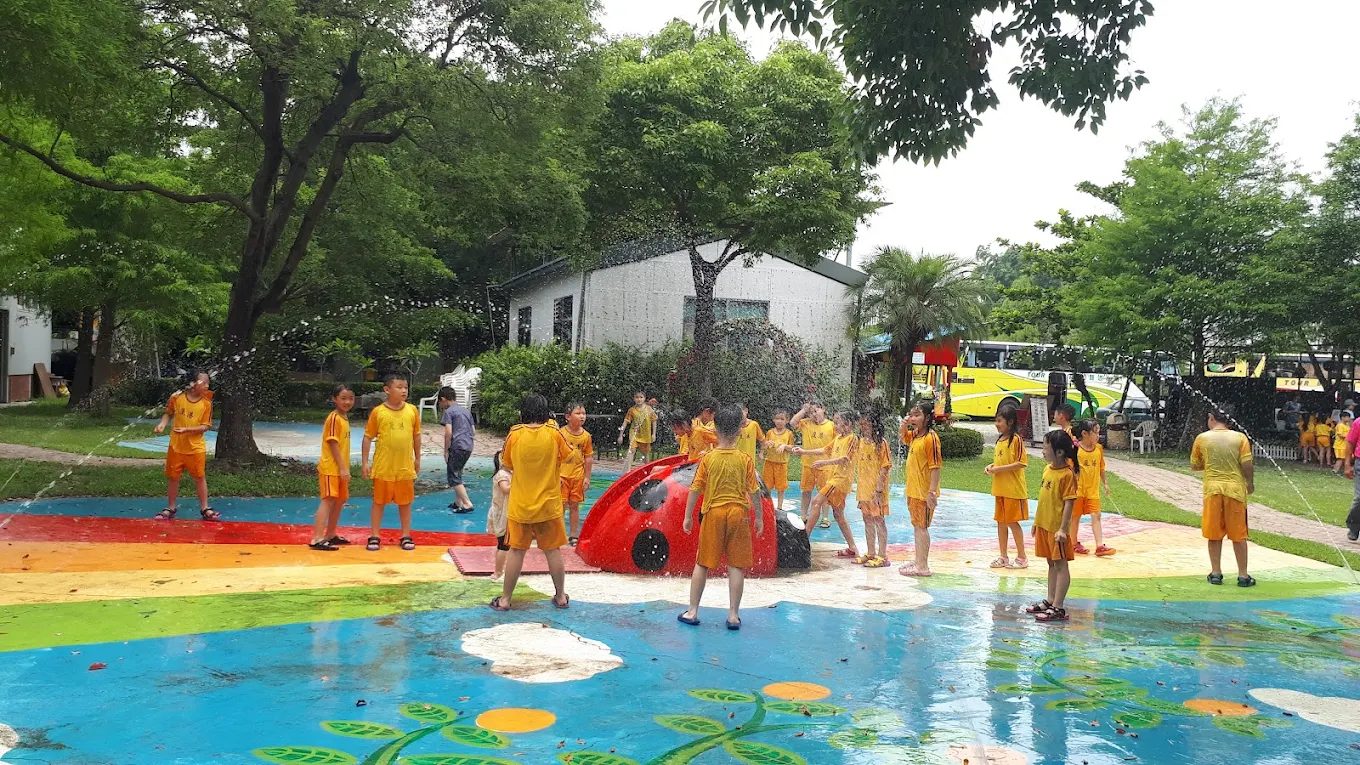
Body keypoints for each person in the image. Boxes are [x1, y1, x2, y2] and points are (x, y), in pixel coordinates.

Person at [678, 404, 764, 631]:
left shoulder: (708, 458)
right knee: (736, 565)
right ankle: (734, 615)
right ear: (739, 431)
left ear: (714, 429)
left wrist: (688, 516)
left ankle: (693, 611)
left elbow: (695, 488)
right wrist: (759, 518)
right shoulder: (745, 459)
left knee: (702, 563)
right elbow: (754, 491)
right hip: (739, 514)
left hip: (714, 514)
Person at [491, 393, 575, 611]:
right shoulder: (554, 433)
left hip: (521, 506)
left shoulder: (515, 434)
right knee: (552, 550)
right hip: (549, 506)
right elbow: (568, 455)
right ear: (546, 412)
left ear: (523, 412)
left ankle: (506, 599)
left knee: (516, 552)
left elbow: (507, 463)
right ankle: (560, 597)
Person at [1190, 409, 1256, 586]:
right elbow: (1247, 464)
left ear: (1212, 418)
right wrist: (1249, 483)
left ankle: (1216, 573)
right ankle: (1243, 575)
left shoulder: (1202, 438)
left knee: (1214, 533)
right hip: (1235, 491)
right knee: (1239, 535)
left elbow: (1195, 465)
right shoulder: (1240, 438)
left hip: (1212, 490)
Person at [361, 374, 422, 552]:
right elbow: (367, 437)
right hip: (383, 466)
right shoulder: (378, 412)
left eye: (406, 387)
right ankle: (374, 535)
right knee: (379, 502)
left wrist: (418, 458)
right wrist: (365, 462)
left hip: (404, 467)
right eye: (399, 387)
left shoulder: (412, 411)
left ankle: (405, 534)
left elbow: (416, 436)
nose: (404, 390)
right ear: (387, 390)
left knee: (405, 502)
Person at [1025, 429, 1080, 622]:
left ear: (1059, 452)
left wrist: (1063, 529)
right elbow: (1044, 500)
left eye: (1046, 447)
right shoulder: (1048, 469)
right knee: (1051, 563)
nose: (1043, 450)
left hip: (1058, 530)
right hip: (1045, 525)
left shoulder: (1067, 475)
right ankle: (1050, 599)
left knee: (1060, 565)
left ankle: (1059, 606)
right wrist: (1037, 522)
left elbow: (1069, 503)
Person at [153, 370, 217, 521]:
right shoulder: (177, 398)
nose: (207, 385)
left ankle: (205, 508)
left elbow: (205, 426)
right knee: (173, 477)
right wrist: (162, 424)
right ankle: (171, 507)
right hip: (176, 446)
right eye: (204, 382)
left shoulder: (206, 403)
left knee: (200, 477)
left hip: (195, 448)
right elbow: (168, 413)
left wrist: (187, 430)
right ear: (193, 383)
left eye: (208, 382)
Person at [802, 411, 861, 559]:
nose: (835, 425)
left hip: (840, 480)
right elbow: (824, 450)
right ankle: (853, 547)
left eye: (838, 422)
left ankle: (803, 541)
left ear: (847, 424)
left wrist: (824, 462)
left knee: (816, 502)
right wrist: (803, 451)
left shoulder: (852, 439)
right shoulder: (838, 438)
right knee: (838, 514)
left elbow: (845, 459)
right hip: (834, 479)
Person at [308, 384, 355, 550]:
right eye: (343, 398)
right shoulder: (334, 418)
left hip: (339, 468)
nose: (347, 402)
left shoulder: (343, 418)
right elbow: (333, 443)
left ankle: (330, 534)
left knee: (339, 500)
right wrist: (342, 468)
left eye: (350, 398)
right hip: (331, 468)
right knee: (328, 500)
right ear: (334, 399)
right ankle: (317, 538)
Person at [898, 401, 942, 577]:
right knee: (917, 526)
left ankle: (923, 566)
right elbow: (904, 438)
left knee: (922, 527)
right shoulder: (916, 435)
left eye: (918, 415)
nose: (913, 418)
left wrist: (931, 492)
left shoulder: (931, 439)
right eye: (912, 414)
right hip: (914, 490)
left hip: (924, 493)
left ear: (927, 418)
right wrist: (903, 426)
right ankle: (918, 560)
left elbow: (936, 467)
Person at [985, 404, 1029, 569]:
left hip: (1013, 490)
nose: (997, 424)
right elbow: (1001, 462)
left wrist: (998, 469)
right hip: (1000, 489)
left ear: (1010, 422)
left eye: (999, 421)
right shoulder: (1000, 440)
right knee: (1001, 522)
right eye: (996, 421)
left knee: (1012, 522)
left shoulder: (1016, 440)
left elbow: (1021, 463)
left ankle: (1022, 557)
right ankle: (1003, 556)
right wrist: (991, 467)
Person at [854, 411, 892, 567]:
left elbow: (885, 467)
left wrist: (878, 490)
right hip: (863, 489)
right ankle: (871, 552)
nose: (864, 427)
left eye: (867, 424)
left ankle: (883, 556)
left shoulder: (881, 443)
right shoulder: (861, 442)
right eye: (862, 424)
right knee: (867, 519)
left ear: (874, 425)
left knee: (879, 520)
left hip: (876, 491)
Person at [1071, 419, 1114, 556]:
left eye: (1098, 433)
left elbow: (1101, 468)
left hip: (1093, 491)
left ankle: (1099, 545)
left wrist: (1105, 483)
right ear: (1084, 433)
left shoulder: (1099, 449)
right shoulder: (1076, 450)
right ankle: (1073, 543)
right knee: (1075, 517)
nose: (1098, 436)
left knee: (1096, 515)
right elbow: (1070, 470)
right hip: (1078, 490)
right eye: (1095, 433)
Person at [791, 401, 836, 527]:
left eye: (816, 411)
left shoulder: (831, 425)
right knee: (806, 491)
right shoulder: (806, 423)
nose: (814, 415)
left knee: (824, 492)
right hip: (808, 464)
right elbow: (793, 423)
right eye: (811, 412)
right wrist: (803, 411)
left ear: (824, 409)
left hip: (824, 465)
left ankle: (825, 517)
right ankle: (804, 515)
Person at [559, 401, 594, 545]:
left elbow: (589, 457)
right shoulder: (561, 433)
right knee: (560, 507)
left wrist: (587, 477)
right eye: (578, 413)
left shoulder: (586, 436)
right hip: (561, 476)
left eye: (584, 413)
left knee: (574, 505)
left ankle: (573, 536)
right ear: (568, 416)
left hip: (577, 476)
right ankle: (559, 535)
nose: (582, 416)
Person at [439, 386, 476, 514]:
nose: (441, 405)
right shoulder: (466, 411)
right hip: (468, 446)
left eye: (440, 402)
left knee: (453, 476)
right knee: (457, 472)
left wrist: (446, 450)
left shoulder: (449, 412)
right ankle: (458, 502)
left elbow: (448, 432)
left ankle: (467, 503)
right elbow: (473, 431)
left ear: (443, 399)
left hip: (457, 446)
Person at [762, 409, 795, 510]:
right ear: (773, 420)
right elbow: (764, 445)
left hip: (781, 464)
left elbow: (792, 448)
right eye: (777, 419)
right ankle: (768, 506)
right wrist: (767, 445)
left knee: (781, 487)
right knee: (767, 486)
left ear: (787, 421)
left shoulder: (789, 434)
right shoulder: (770, 432)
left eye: (782, 419)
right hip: (769, 462)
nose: (779, 421)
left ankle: (780, 507)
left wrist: (785, 446)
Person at [617, 391, 656, 473]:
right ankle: (627, 471)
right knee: (631, 450)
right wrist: (620, 435)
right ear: (634, 399)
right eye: (637, 397)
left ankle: (648, 471)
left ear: (644, 399)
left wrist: (654, 434)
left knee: (645, 453)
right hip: (634, 433)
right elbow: (625, 422)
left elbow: (654, 421)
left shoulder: (649, 409)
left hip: (645, 435)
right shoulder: (632, 410)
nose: (639, 399)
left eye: (641, 397)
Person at [488, 451, 511, 582]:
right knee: (504, 544)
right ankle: (498, 572)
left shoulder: (508, 474)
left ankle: (500, 569)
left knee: (504, 544)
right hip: (502, 514)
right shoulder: (502, 474)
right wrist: (521, 481)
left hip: (505, 513)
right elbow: (506, 489)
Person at [1345, 419, 1360, 541]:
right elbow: (1350, 442)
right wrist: (1347, 464)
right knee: (1359, 498)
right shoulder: (1358, 422)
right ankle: (1354, 526)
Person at [1333, 410, 1353, 476]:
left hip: (1345, 445)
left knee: (1346, 458)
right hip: (1340, 445)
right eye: (1347, 417)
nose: (1349, 419)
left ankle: (1345, 471)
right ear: (1342, 417)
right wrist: (1349, 437)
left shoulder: (1347, 425)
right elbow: (1340, 435)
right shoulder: (1340, 425)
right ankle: (1335, 471)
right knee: (1340, 459)